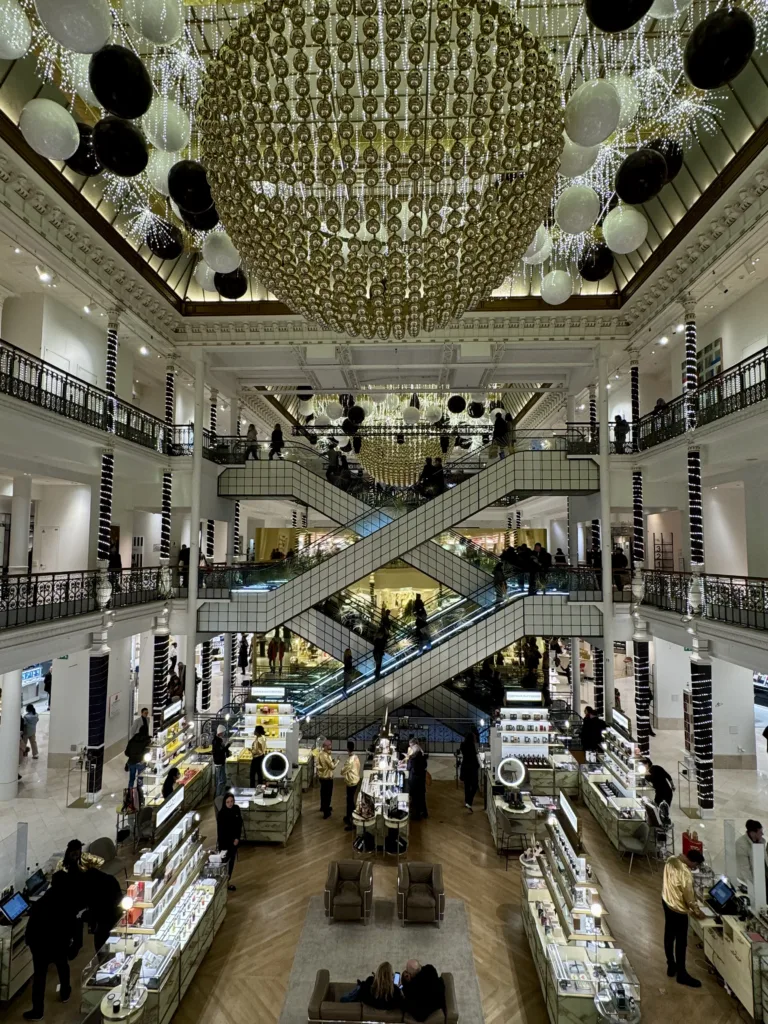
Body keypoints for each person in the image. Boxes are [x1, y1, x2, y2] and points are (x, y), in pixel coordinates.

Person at [23, 871, 76, 1021]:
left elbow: (32, 926)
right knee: (62, 966)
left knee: (39, 977)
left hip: (40, 945)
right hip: (59, 943)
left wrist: (29, 942)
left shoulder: (41, 903)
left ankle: (37, 1011)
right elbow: (72, 924)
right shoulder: (67, 902)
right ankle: (65, 993)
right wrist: (71, 941)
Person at [662, 849, 706, 987]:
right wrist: (698, 912)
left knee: (668, 935)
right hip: (679, 910)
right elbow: (689, 898)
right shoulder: (686, 873)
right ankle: (682, 973)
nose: (695, 868)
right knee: (681, 942)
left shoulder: (671, 860)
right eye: (696, 865)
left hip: (666, 901)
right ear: (693, 862)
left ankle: (671, 965)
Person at [340, 961, 405, 1010]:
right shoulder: (395, 991)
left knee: (358, 988)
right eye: (392, 975)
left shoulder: (370, 982)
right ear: (390, 976)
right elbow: (400, 1002)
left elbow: (363, 995)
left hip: (362, 999)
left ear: (378, 973)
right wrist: (398, 989)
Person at [217, 792, 243, 891]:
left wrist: (237, 838)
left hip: (234, 843)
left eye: (232, 801)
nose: (230, 803)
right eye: (228, 802)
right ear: (225, 803)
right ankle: (223, 884)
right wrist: (232, 840)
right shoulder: (222, 814)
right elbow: (222, 832)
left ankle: (227, 882)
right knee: (225, 864)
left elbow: (239, 824)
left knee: (231, 863)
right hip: (225, 843)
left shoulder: (236, 809)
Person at [735, 819, 768, 893]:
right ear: (753, 833)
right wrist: (754, 889)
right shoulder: (741, 845)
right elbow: (745, 870)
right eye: (760, 832)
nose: (762, 834)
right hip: (755, 882)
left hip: (764, 878)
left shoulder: (760, 841)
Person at [341, 740, 361, 831]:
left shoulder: (350, 760)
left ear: (347, 749)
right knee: (350, 799)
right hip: (356, 780)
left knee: (350, 801)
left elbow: (342, 771)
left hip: (351, 782)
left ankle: (351, 821)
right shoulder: (356, 757)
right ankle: (349, 816)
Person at [125, 723, 151, 790]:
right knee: (140, 779)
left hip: (131, 762)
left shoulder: (133, 739)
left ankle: (130, 794)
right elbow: (147, 751)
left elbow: (126, 752)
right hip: (140, 762)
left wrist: (132, 755)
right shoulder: (147, 740)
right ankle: (139, 794)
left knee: (131, 779)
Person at [407, 739, 428, 820]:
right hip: (421, 779)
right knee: (421, 797)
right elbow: (425, 765)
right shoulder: (422, 754)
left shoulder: (413, 758)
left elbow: (409, 768)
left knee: (415, 798)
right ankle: (424, 813)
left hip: (414, 780)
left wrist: (408, 759)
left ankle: (417, 816)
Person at [317, 738, 338, 819]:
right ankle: (326, 812)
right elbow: (332, 767)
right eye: (329, 746)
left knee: (323, 793)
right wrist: (337, 761)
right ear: (325, 746)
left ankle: (322, 807)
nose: (330, 747)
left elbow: (319, 764)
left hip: (321, 777)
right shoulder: (327, 755)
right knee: (328, 795)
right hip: (328, 778)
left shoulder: (320, 754)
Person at [459, 730, 480, 812]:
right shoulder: (471, 745)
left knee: (467, 786)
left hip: (465, 767)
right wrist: (478, 765)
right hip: (472, 768)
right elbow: (473, 757)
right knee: (474, 786)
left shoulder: (463, 744)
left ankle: (467, 801)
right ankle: (469, 801)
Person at [212, 724, 230, 798]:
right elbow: (221, 751)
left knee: (220, 780)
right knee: (221, 781)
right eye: (224, 732)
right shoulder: (217, 742)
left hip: (220, 763)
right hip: (219, 763)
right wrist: (228, 745)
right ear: (221, 733)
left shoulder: (218, 740)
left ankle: (220, 795)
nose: (224, 733)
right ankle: (218, 796)